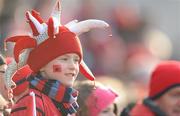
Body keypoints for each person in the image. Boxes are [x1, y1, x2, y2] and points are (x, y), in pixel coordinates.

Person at [4, 1, 109, 116]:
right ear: (42, 65)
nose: (73, 66)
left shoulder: (67, 104)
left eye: (76, 60)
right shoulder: (31, 103)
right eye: (64, 59)